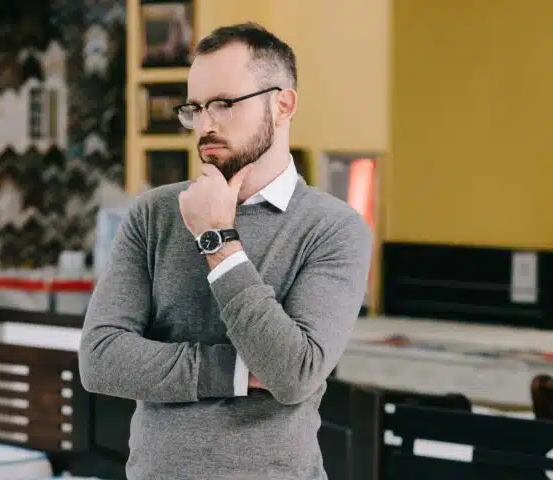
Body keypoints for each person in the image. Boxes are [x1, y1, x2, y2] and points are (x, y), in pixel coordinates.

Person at [78, 22, 372, 480]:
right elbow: (100, 359)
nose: (206, 124)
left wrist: (217, 238)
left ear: (283, 104)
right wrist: (234, 373)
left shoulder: (334, 229)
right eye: (195, 108)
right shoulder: (155, 213)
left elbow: (293, 373)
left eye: (224, 104)